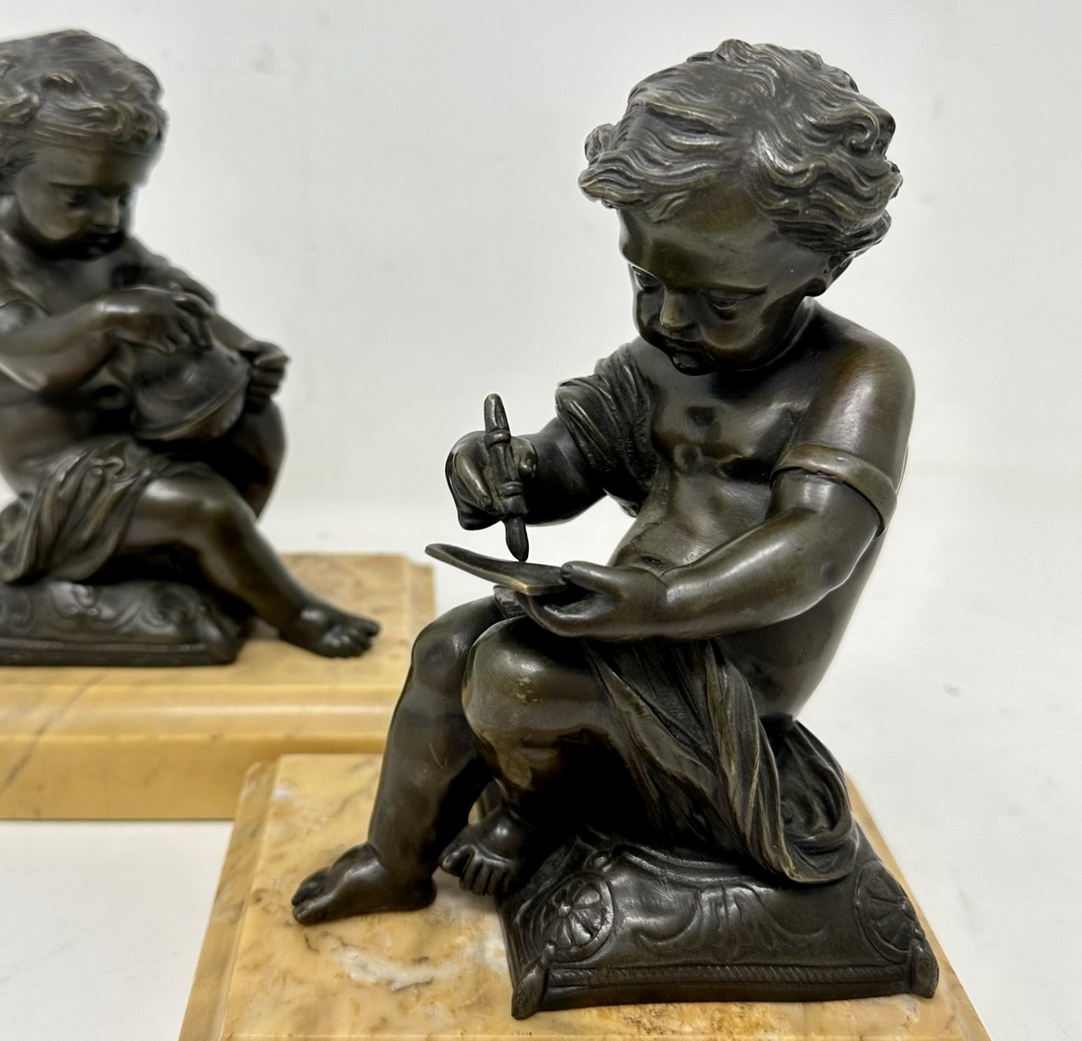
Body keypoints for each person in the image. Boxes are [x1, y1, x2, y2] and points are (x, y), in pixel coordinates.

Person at [293, 40, 913, 922]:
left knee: (513, 675)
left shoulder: (856, 377)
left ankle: (536, 811)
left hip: (729, 667)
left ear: (823, 267)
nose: (669, 319)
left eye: (721, 300)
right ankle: (393, 861)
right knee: (443, 649)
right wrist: (506, 471)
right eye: (644, 279)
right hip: (624, 617)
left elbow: (814, 548)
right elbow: (569, 463)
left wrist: (664, 603)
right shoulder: (657, 362)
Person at [0, 30, 378, 658]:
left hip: (137, 434)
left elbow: (177, 294)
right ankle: (296, 612)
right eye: (77, 198)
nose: (108, 218)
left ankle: (195, 559)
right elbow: (32, 358)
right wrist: (108, 317)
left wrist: (242, 349)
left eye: (124, 195)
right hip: (63, 478)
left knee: (257, 427)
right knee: (205, 509)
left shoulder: (103, 244)